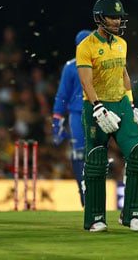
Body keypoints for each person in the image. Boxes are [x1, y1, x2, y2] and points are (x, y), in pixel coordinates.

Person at [77, 0, 138, 232]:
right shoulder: (85, 46)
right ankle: (95, 218)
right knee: (96, 161)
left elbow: (124, 75)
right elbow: (86, 82)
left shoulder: (121, 43)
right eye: (112, 17)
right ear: (99, 18)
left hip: (121, 104)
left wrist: (132, 105)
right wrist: (98, 107)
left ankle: (133, 215)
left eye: (119, 17)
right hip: (96, 107)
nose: (117, 21)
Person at [52, 29, 92, 206]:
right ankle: (85, 196)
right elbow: (62, 95)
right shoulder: (71, 67)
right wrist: (57, 119)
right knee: (80, 154)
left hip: (92, 112)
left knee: (93, 154)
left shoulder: (95, 64)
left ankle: (90, 194)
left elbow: (61, 96)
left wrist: (57, 120)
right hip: (78, 114)